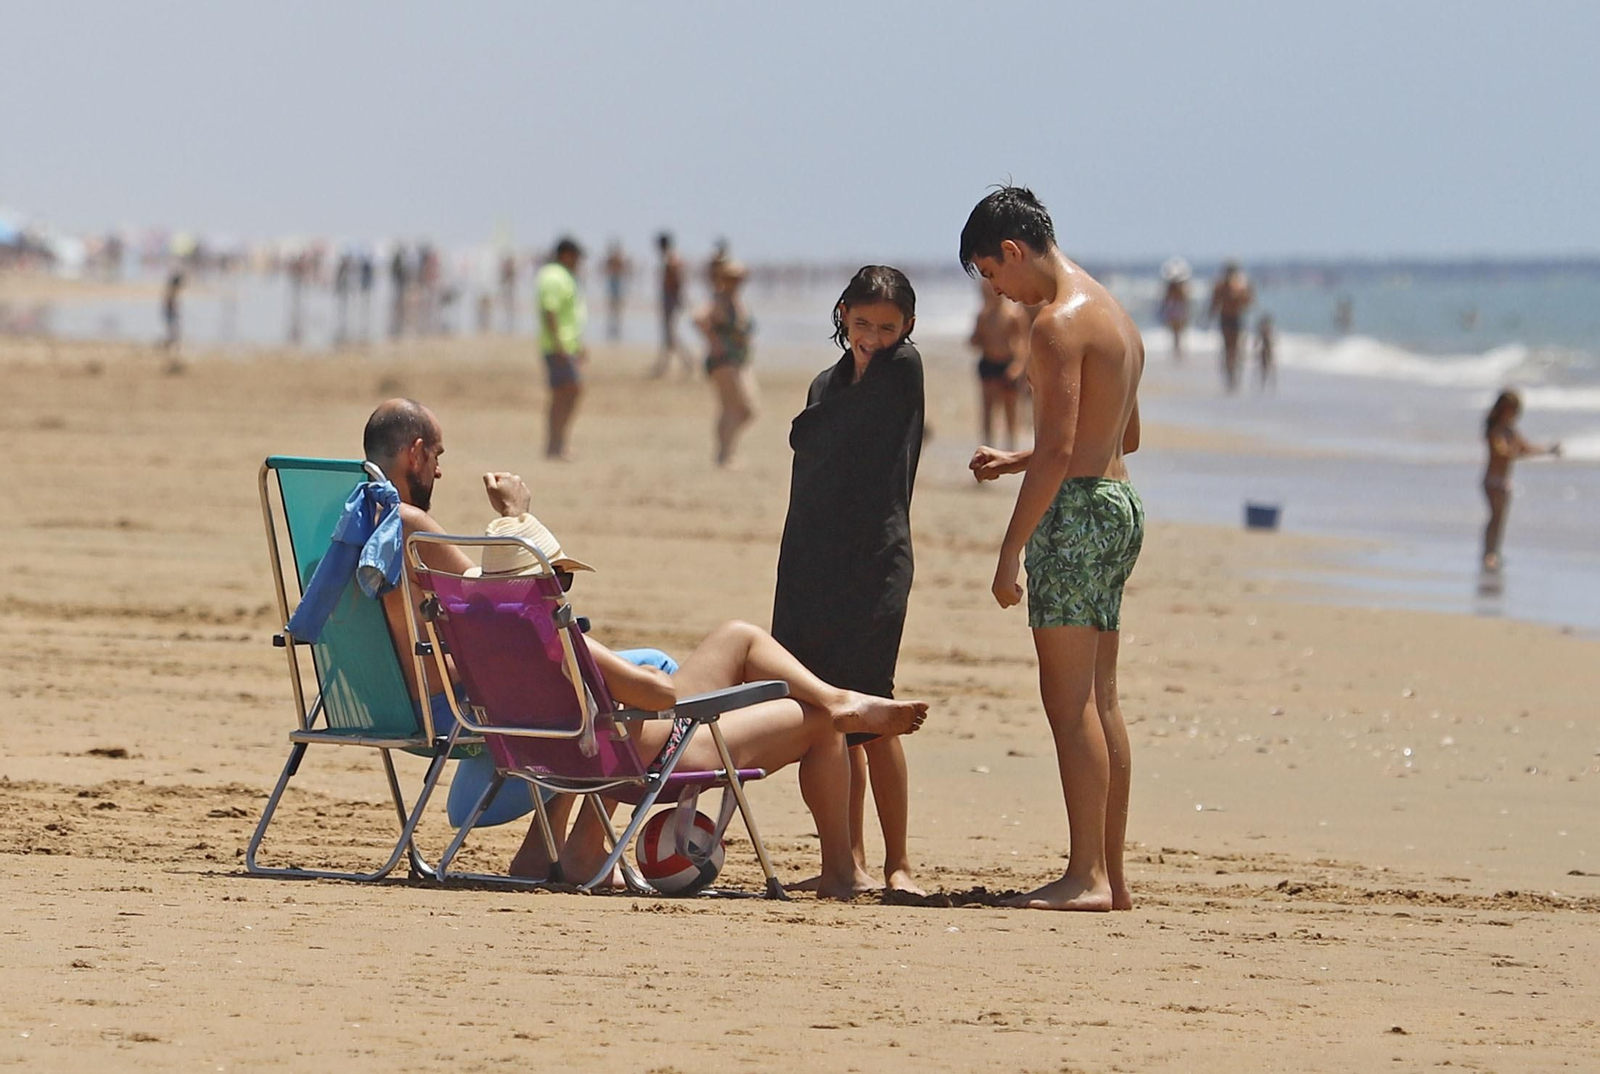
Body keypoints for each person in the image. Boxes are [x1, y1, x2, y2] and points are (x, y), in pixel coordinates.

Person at [359, 399, 928, 899]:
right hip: (633, 745)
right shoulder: (542, 629)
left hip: (558, 733)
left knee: (723, 646)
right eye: (557, 575)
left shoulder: (387, 549)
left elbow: (483, 610)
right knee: (810, 714)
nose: (441, 464)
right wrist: (642, 675)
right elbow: (657, 696)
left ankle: (584, 848)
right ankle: (841, 848)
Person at [961, 186, 1144, 912]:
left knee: (1068, 707)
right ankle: (1114, 877)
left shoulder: (1054, 324)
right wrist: (1017, 458)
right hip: (1120, 506)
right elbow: (1122, 437)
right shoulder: (1114, 313)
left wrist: (1010, 551)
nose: (999, 294)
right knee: (1102, 699)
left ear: (1011, 251)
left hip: (1075, 518)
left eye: (992, 275)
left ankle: (1086, 876)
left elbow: (1064, 448)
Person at [772, 265, 926, 894]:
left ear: (908, 328)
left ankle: (899, 864)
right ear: (841, 314)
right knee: (829, 711)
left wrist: (852, 385)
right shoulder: (823, 382)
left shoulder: (903, 371)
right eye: (862, 323)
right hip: (812, 558)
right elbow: (808, 451)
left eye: (887, 328)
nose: (872, 337)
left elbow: (817, 433)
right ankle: (847, 862)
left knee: (873, 703)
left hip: (876, 559)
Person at [1481, 389, 1560, 572]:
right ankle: (1488, 553)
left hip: (1505, 482)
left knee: (1500, 519)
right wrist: (1514, 452)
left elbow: (1526, 448)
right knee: (1494, 517)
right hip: (1493, 480)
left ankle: (1494, 552)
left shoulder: (1511, 431)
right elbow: (1501, 451)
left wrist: (1548, 450)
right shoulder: (1495, 430)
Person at [695, 259, 757, 466]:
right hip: (724, 361)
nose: (736, 283)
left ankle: (726, 452)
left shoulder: (736, 300)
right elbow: (698, 318)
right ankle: (724, 454)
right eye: (732, 278)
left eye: (739, 279)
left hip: (739, 360)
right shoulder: (719, 300)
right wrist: (715, 341)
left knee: (735, 409)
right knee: (741, 408)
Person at [536, 237, 587, 460]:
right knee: (568, 391)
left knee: (566, 393)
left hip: (567, 345)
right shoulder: (553, 276)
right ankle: (555, 443)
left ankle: (557, 442)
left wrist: (578, 344)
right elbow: (551, 311)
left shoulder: (563, 276)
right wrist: (559, 345)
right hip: (558, 346)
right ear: (566, 254)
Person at [970, 279, 1031, 451]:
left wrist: (1018, 366)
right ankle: (987, 446)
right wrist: (977, 337)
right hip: (988, 364)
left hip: (1007, 365)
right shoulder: (983, 316)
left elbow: (1023, 343)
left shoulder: (1014, 314)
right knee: (987, 409)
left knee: (1010, 410)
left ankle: (1011, 447)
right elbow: (975, 341)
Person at [1208, 260, 1253, 392]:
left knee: (1236, 347)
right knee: (1228, 347)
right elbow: (1215, 302)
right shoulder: (1221, 285)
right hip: (1226, 318)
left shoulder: (1241, 285)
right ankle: (1230, 374)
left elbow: (1248, 302)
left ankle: (1234, 373)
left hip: (1236, 318)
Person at [652, 231, 689, 377]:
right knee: (668, 334)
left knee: (670, 334)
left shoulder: (671, 258)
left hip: (671, 299)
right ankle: (664, 364)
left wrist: (678, 298)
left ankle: (686, 362)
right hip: (669, 298)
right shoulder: (670, 257)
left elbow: (678, 279)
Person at [1158, 257, 1191, 361]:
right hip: (1177, 310)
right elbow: (1185, 300)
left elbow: (1166, 300)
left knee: (1176, 333)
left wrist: (1162, 310)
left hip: (1175, 309)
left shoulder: (1172, 287)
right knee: (1177, 333)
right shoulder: (1181, 287)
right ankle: (1178, 351)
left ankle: (1177, 351)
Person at [602, 241, 631, 341]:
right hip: (613, 281)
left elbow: (625, 268)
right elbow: (605, 268)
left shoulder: (618, 258)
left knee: (617, 308)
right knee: (612, 307)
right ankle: (612, 329)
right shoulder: (612, 258)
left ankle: (617, 329)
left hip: (617, 281)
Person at [161, 271, 183, 350]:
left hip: (169, 314)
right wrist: (175, 311)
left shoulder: (171, 290)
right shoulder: (171, 291)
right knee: (174, 332)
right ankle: (170, 347)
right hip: (170, 314)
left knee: (173, 332)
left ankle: (170, 347)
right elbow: (169, 303)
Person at [1255, 313, 1276, 391]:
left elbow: (1271, 341)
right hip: (1264, 350)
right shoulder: (1263, 331)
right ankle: (1263, 383)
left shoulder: (1267, 331)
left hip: (1267, 350)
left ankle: (1267, 383)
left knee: (1267, 367)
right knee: (1263, 367)